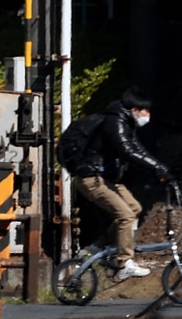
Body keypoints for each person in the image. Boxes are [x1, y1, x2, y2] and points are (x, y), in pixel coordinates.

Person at [70, 90, 170, 281]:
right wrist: (156, 167)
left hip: (104, 178)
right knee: (126, 215)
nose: (147, 115)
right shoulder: (114, 122)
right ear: (134, 110)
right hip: (91, 179)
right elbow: (126, 151)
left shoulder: (125, 123)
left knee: (134, 208)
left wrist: (158, 167)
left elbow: (136, 148)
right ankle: (124, 262)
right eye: (144, 111)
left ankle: (99, 246)